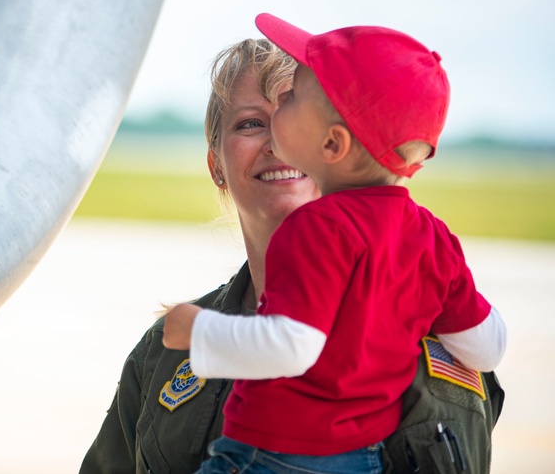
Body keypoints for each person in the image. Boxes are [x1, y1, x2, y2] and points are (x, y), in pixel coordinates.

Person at [79, 35, 504, 474]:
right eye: (249, 124)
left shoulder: (435, 352)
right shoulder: (162, 356)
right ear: (216, 166)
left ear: (339, 145)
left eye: (294, 114)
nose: (276, 142)